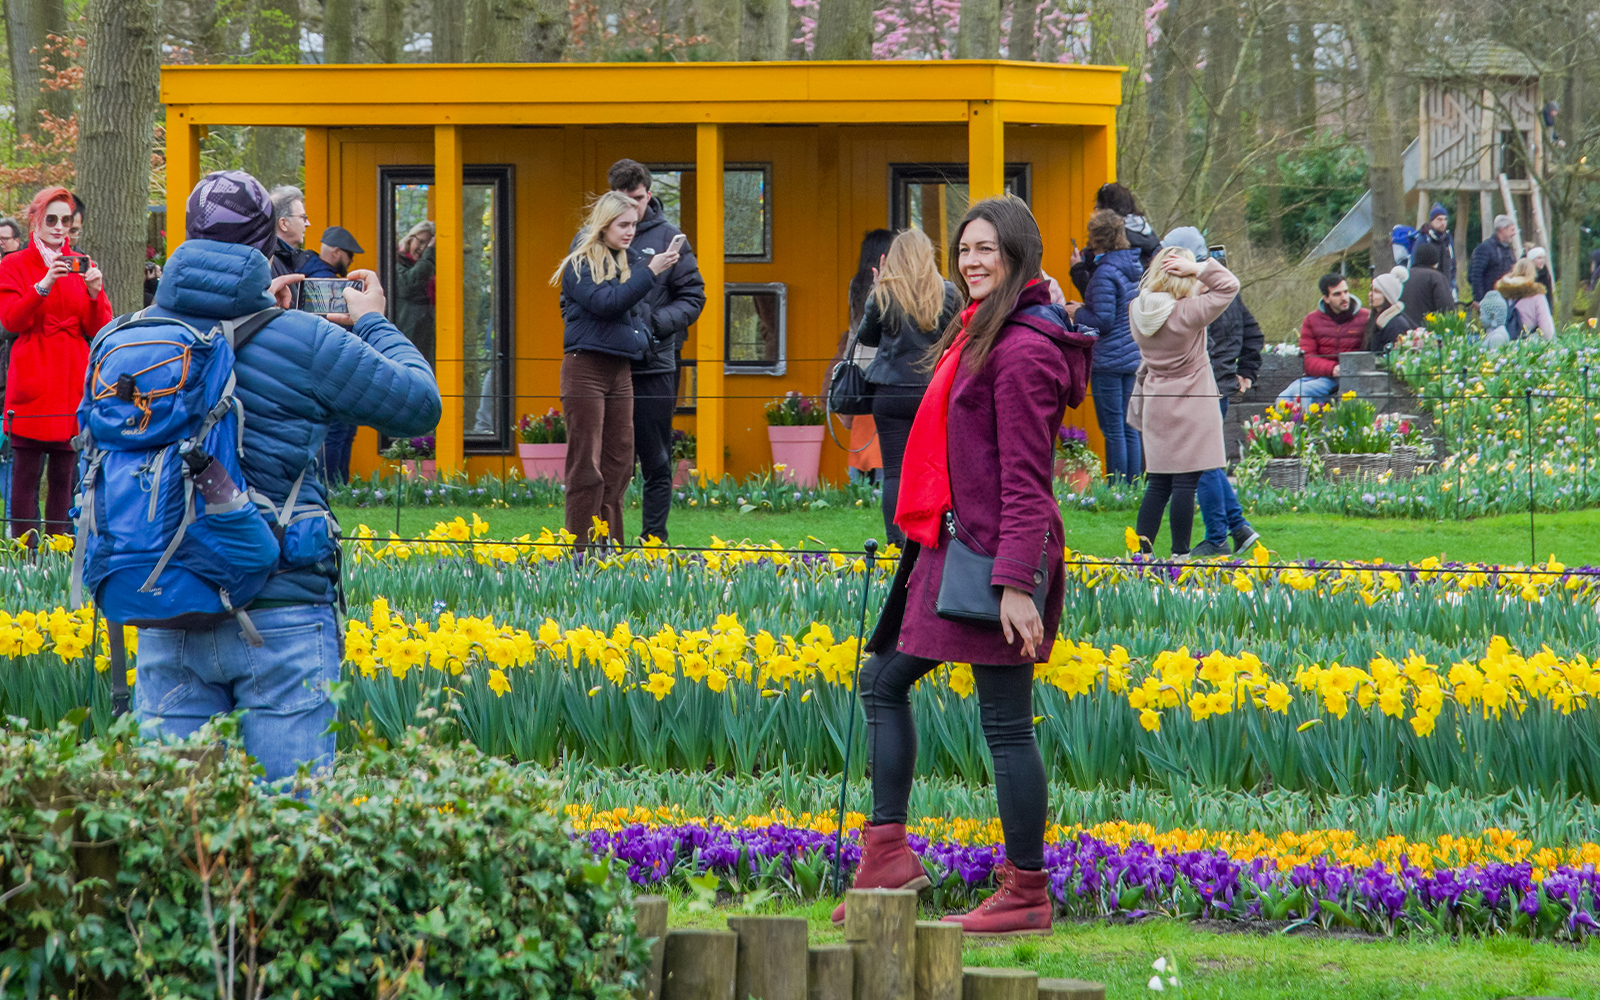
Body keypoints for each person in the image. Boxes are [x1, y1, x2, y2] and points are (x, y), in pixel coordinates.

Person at [837, 196, 1095, 937]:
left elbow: (1025, 479)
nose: (973, 261)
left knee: (1006, 725)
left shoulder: (1020, 351)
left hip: (994, 556)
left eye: (988, 249)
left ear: (1020, 255)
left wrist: (1017, 585)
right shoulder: (985, 331)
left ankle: (1025, 893)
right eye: (966, 249)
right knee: (884, 678)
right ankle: (887, 854)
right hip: (953, 546)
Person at [133, 169, 440, 782]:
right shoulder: (301, 337)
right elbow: (416, 404)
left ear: (190, 240)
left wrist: (256, 314)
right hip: (280, 607)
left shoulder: (131, 336)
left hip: (168, 604)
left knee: (174, 831)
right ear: (265, 246)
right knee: (289, 829)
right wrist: (375, 320)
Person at [552, 190, 678, 551]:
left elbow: (633, 313)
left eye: (634, 225)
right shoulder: (580, 263)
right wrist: (649, 273)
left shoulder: (629, 261)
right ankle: (580, 551)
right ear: (603, 225)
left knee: (619, 462)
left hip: (621, 368)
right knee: (585, 463)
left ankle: (611, 550)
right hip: (585, 367)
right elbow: (606, 303)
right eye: (623, 225)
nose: (630, 232)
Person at [0, 185, 112, 542]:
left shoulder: (83, 264)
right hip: (33, 376)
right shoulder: (14, 264)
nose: (59, 227)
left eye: (66, 220)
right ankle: (24, 552)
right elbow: (11, 321)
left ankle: (60, 552)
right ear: (35, 220)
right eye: (51, 219)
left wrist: (95, 295)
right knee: (26, 477)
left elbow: (99, 328)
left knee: (65, 479)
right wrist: (43, 285)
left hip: (71, 382)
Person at [605, 159, 706, 544]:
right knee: (612, 460)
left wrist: (651, 325)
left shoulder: (669, 237)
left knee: (657, 458)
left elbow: (694, 296)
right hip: (609, 361)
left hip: (655, 362)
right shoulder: (599, 235)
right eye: (625, 201)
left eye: (639, 199)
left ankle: (653, 543)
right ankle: (608, 541)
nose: (634, 208)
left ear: (649, 192)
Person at [1151, 231, 1261, 560]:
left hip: (1205, 387)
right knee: (1208, 461)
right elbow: (1253, 331)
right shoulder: (1216, 291)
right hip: (1219, 383)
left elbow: (1202, 346)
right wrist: (1245, 371)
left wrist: (1245, 371)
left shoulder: (1197, 294)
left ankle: (1218, 537)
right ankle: (1239, 528)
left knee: (1203, 464)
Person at [1126, 246, 1239, 559]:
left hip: (1156, 401)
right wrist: (1200, 269)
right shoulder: (1189, 312)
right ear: (1182, 273)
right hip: (1192, 402)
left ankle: (1141, 554)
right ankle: (1180, 555)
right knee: (1185, 484)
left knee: (1158, 483)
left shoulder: (1136, 308)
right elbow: (1229, 285)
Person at [854, 228, 959, 545]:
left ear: (892, 259)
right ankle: (934, 537)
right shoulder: (949, 293)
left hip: (890, 393)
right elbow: (958, 339)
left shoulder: (884, 293)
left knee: (895, 472)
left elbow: (866, 338)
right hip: (934, 393)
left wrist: (878, 287)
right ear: (928, 256)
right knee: (935, 468)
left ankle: (895, 543)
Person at [1072, 209, 1143, 483]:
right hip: (1131, 356)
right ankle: (1133, 486)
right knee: (1129, 428)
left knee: (1113, 429)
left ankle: (1117, 488)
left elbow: (1102, 320)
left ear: (1096, 237)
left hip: (1109, 361)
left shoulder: (1104, 273)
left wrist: (1076, 312)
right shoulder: (1131, 268)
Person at [835, 229, 895, 483]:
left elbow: (853, 329)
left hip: (859, 362)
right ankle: (882, 480)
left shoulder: (855, 283)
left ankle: (857, 481)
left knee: (862, 425)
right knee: (883, 426)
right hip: (883, 363)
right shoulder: (887, 285)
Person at [312, 225, 368, 485]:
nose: (352, 261)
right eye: (349, 255)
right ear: (335, 252)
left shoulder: (314, 274)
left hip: (331, 367)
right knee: (338, 431)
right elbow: (338, 328)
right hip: (335, 368)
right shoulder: (326, 283)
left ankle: (339, 488)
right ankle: (334, 487)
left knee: (342, 431)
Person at [1277, 273, 1367, 406]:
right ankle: (1291, 426)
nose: (1344, 298)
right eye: (1337, 294)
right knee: (1282, 399)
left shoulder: (1365, 318)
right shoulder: (1312, 320)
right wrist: (1333, 369)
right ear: (1326, 298)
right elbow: (1308, 358)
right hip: (1322, 376)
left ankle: (1306, 426)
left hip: (1349, 377)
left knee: (1301, 392)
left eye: (1346, 292)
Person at [1069, 182, 1158, 295]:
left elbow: (1099, 296)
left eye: (1097, 208)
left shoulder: (1112, 242)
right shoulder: (1149, 235)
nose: (1095, 215)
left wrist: (1078, 268)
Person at [268, 185, 335, 280]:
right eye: (303, 217)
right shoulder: (268, 263)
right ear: (283, 224)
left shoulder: (286, 259)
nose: (308, 223)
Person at [394, 220, 437, 366]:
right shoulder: (397, 262)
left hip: (424, 338)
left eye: (428, 245)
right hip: (406, 336)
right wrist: (431, 252)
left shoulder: (429, 268)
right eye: (420, 242)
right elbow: (409, 285)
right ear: (410, 238)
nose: (422, 248)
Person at [1495, 258, 1555, 340]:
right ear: (1533, 273)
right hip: (1528, 345)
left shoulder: (1502, 293)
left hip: (1505, 342)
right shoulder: (1537, 295)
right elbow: (1547, 331)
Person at [1469, 215, 1518, 305]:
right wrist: (1480, 300)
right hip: (1490, 301)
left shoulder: (1508, 249)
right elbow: (1475, 275)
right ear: (1502, 230)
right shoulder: (1484, 248)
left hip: (1507, 300)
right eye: (1512, 230)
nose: (1514, 233)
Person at [1402, 241, 1456, 321]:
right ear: (1434, 261)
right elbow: (1446, 306)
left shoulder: (1405, 275)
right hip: (1426, 328)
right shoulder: (1435, 277)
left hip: (1402, 327)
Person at [1364, 270, 1414, 355]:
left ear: (1388, 297)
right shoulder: (1375, 319)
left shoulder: (1396, 324)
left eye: (1376, 291)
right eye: (1371, 290)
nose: (1370, 294)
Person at [1417, 203, 1456, 294]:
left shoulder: (1448, 238)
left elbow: (1452, 263)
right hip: (1428, 289)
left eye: (1445, 219)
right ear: (1432, 220)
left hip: (1447, 286)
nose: (1443, 223)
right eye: (1439, 219)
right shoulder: (1423, 238)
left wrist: (1453, 285)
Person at [1525, 246, 1554, 311]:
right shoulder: (1525, 274)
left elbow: (1548, 294)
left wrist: (1549, 309)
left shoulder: (1545, 273)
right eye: (1539, 258)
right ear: (1531, 259)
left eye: (1543, 258)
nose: (1542, 261)